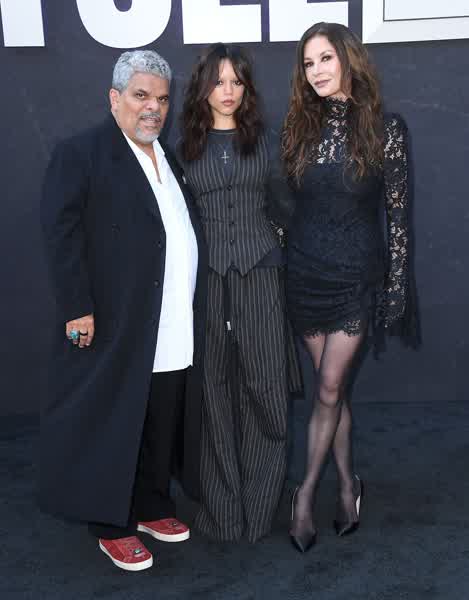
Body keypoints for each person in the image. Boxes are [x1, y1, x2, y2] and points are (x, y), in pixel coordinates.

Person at [40, 50, 208, 571]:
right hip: (115, 320)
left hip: (171, 317)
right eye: (141, 96)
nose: (153, 107)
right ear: (115, 99)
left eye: (162, 98)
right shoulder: (82, 153)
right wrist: (77, 308)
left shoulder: (167, 156)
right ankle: (111, 525)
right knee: (114, 422)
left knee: (160, 415)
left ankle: (152, 505)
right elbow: (61, 234)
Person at [282, 22, 418, 552]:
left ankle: (304, 495)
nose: (316, 71)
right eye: (308, 63)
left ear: (347, 58)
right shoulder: (298, 128)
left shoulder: (386, 129)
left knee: (329, 389)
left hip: (356, 275)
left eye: (325, 58)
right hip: (306, 274)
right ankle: (347, 485)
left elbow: (398, 217)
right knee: (330, 392)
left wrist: (397, 285)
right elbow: (283, 205)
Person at [179, 43, 301, 543]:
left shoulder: (266, 143)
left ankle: (260, 509)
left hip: (262, 277)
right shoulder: (182, 148)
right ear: (203, 87)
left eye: (236, 81)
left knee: (267, 391)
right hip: (206, 284)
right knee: (211, 395)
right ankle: (224, 515)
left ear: (247, 88)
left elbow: (288, 210)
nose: (227, 91)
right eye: (218, 81)